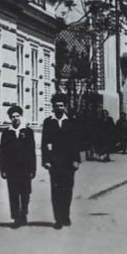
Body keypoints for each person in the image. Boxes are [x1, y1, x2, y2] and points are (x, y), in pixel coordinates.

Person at [41, 95, 80, 228]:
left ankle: (66, 216)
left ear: (65, 106)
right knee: (56, 190)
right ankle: (58, 218)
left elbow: (76, 142)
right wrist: (46, 160)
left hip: (69, 162)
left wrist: (76, 160)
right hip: (54, 162)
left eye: (61, 105)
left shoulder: (71, 122)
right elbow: (44, 142)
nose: (59, 108)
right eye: (56, 105)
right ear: (53, 107)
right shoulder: (48, 122)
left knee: (67, 189)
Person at [0, 104, 37, 228]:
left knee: (25, 192)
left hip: (25, 169)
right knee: (13, 193)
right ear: (10, 118)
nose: (15, 118)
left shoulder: (28, 132)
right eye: (13, 116)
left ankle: (24, 212)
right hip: (11, 169)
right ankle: (16, 217)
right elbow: (3, 153)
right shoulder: (6, 133)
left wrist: (33, 169)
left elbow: (32, 151)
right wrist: (3, 169)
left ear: (21, 117)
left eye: (17, 116)